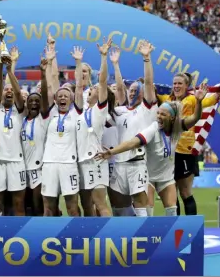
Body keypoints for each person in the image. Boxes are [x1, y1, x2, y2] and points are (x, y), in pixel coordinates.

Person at [96, 83, 208, 216]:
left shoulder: (177, 129)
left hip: (166, 178)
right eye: (158, 113)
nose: (159, 116)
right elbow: (133, 142)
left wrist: (199, 102)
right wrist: (111, 152)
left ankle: (172, 237)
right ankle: (147, 235)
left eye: (163, 114)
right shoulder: (153, 128)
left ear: (172, 118)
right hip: (148, 176)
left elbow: (195, 118)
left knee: (172, 212)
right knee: (147, 213)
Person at [157, 72, 220, 216]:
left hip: (185, 152)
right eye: (174, 83)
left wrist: (217, 93)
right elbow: (150, 94)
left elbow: (209, 101)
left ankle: (192, 229)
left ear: (186, 86)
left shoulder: (192, 99)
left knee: (185, 192)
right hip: (169, 152)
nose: (176, 86)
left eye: (180, 83)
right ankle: (175, 228)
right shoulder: (166, 100)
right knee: (171, 193)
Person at [106, 40, 157, 217]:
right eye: (131, 90)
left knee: (140, 204)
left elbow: (149, 83)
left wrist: (146, 58)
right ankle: (124, 238)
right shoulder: (120, 111)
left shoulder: (147, 110)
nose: (133, 92)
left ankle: (146, 237)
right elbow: (118, 91)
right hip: (119, 164)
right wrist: (112, 64)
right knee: (119, 207)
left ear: (144, 94)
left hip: (137, 163)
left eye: (137, 90)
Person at [41, 46, 84, 217]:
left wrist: (78, 62)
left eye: (66, 95)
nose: (63, 97)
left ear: (72, 98)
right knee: (49, 207)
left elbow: (79, 86)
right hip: (49, 163)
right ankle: (47, 239)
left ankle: (77, 239)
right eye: (60, 96)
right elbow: (51, 83)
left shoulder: (76, 113)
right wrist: (50, 61)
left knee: (72, 206)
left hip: (69, 164)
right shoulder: (50, 113)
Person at [76, 38, 113, 217]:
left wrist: (104, 57)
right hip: (80, 159)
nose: (92, 91)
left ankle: (109, 238)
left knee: (100, 204)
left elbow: (103, 81)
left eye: (95, 90)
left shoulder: (99, 108)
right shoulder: (80, 109)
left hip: (95, 158)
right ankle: (90, 239)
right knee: (86, 204)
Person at [0, 45, 27, 216]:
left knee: (18, 203)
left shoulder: (20, 111)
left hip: (17, 161)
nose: (9, 92)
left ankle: (21, 235)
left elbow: (19, 93)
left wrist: (10, 70)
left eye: (11, 90)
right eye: (7, 90)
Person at [20, 57, 53, 216]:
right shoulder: (24, 121)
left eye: (36, 101)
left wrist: (43, 73)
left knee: (37, 206)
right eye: (31, 101)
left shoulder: (44, 118)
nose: (34, 103)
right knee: (26, 207)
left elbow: (45, 94)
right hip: (22, 168)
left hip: (39, 169)